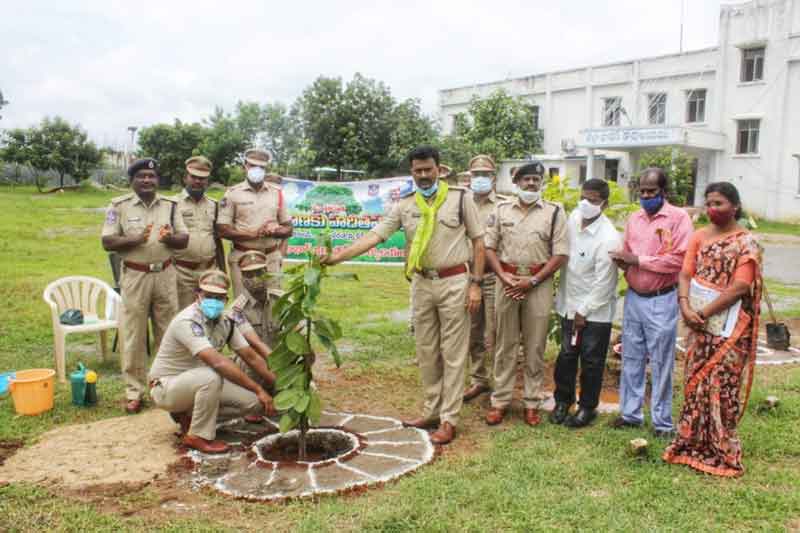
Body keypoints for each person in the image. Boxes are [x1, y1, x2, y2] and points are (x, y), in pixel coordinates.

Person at [323, 145, 485, 445]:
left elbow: (478, 243)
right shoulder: (405, 204)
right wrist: (337, 257)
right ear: (412, 172)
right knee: (426, 350)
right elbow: (376, 235)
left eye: (428, 169)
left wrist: (475, 284)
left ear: (439, 169)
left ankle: (449, 419)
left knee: (453, 352)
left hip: (455, 282)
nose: (423, 175)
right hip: (422, 283)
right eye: (417, 170)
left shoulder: (461, 199)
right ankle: (431, 411)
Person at [663, 182, 762, 477]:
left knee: (722, 385)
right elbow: (685, 273)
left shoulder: (747, 242)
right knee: (695, 381)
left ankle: (721, 449)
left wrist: (703, 312)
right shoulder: (699, 236)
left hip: (729, 328)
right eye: (708, 203)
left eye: (718, 203)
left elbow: (741, 286)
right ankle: (690, 442)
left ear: (735, 206)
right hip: (697, 322)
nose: (712, 209)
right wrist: (685, 305)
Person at [148, 270, 277, 454]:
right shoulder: (187, 321)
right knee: (212, 375)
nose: (214, 301)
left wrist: (278, 383)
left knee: (254, 404)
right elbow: (217, 362)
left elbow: (251, 356)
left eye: (219, 297)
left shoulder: (226, 322)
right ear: (198, 295)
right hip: (167, 386)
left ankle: (189, 414)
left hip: (197, 382)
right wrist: (259, 388)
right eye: (208, 295)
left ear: (226, 300)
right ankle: (197, 436)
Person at [609, 167, 693, 438]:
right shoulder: (634, 219)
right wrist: (623, 261)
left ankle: (662, 422)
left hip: (662, 299)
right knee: (631, 357)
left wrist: (639, 261)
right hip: (634, 298)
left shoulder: (679, 219)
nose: (646, 196)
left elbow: (679, 260)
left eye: (651, 192)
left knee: (661, 361)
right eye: (642, 191)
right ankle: (630, 414)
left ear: (663, 192)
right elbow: (629, 252)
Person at [484, 161, 568, 426]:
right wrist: (503, 276)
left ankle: (532, 402)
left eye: (535, 179)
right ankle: (500, 401)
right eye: (526, 179)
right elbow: (489, 248)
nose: (531, 184)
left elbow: (561, 254)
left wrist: (532, 281)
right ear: (516, 182)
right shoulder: (500, 210)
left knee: (534, 346)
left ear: (541, 183)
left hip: (538, 285)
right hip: (506, 281)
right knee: (504, 345)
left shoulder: (554, 212)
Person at [101, 158, 189, 414]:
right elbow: (107, 242)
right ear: (132, 180)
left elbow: (184, 239)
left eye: (151, 176)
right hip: (135, 276)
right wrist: (134, 239)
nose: (147, 180)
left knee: (168, 332)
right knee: (133, 335)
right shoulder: (118, 206)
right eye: (142, 176)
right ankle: (134, 392)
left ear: (157, 179)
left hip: (165, 274)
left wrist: (170, 237)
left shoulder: (171, 206)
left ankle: (164, 386)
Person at [551, 179, 621, 427]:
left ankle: (587, 407)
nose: (586, 204)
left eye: (592, 200)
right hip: (569, 305)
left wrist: (584, 311)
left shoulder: (609, 237)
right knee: (566, 356)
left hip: (595, 312)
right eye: (584, 198)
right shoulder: (573, 218)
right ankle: (562, 401)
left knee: (591, 361)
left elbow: (605, 283)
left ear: (604, 204)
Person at [463, 154, 508, 403]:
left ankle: (500, 382)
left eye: (485, 174)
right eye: (476, 174)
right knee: (472, 330)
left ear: (493, 176)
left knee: (497, 332)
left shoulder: (502, 205)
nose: (480, 178)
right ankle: (478, 379)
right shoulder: (461, 203)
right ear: (470, 176)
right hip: (467, 276)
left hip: (494, 278)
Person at [217, 148, 292, 297]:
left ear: (266, 169)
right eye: (252, 166)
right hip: (243, 257)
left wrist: (275, 231)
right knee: (244, 307)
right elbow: (222, 229)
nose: (257, 170)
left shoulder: (276, 193)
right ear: (245, 166)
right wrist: (253, 234)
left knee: (273, 303)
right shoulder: (232, 193)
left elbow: (289, 229)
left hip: (270, 258)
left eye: (261, 167)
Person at [171, 156, 225, 309]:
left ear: (207, 181)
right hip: (182, 272)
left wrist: (222, 271)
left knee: (210, 313)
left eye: (202, 178)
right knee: (183, 314)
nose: (198, 181)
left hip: (209, 270)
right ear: (185, 178)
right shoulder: (173, 204)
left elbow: (217, 240)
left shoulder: (214, 205)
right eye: (193, 177)